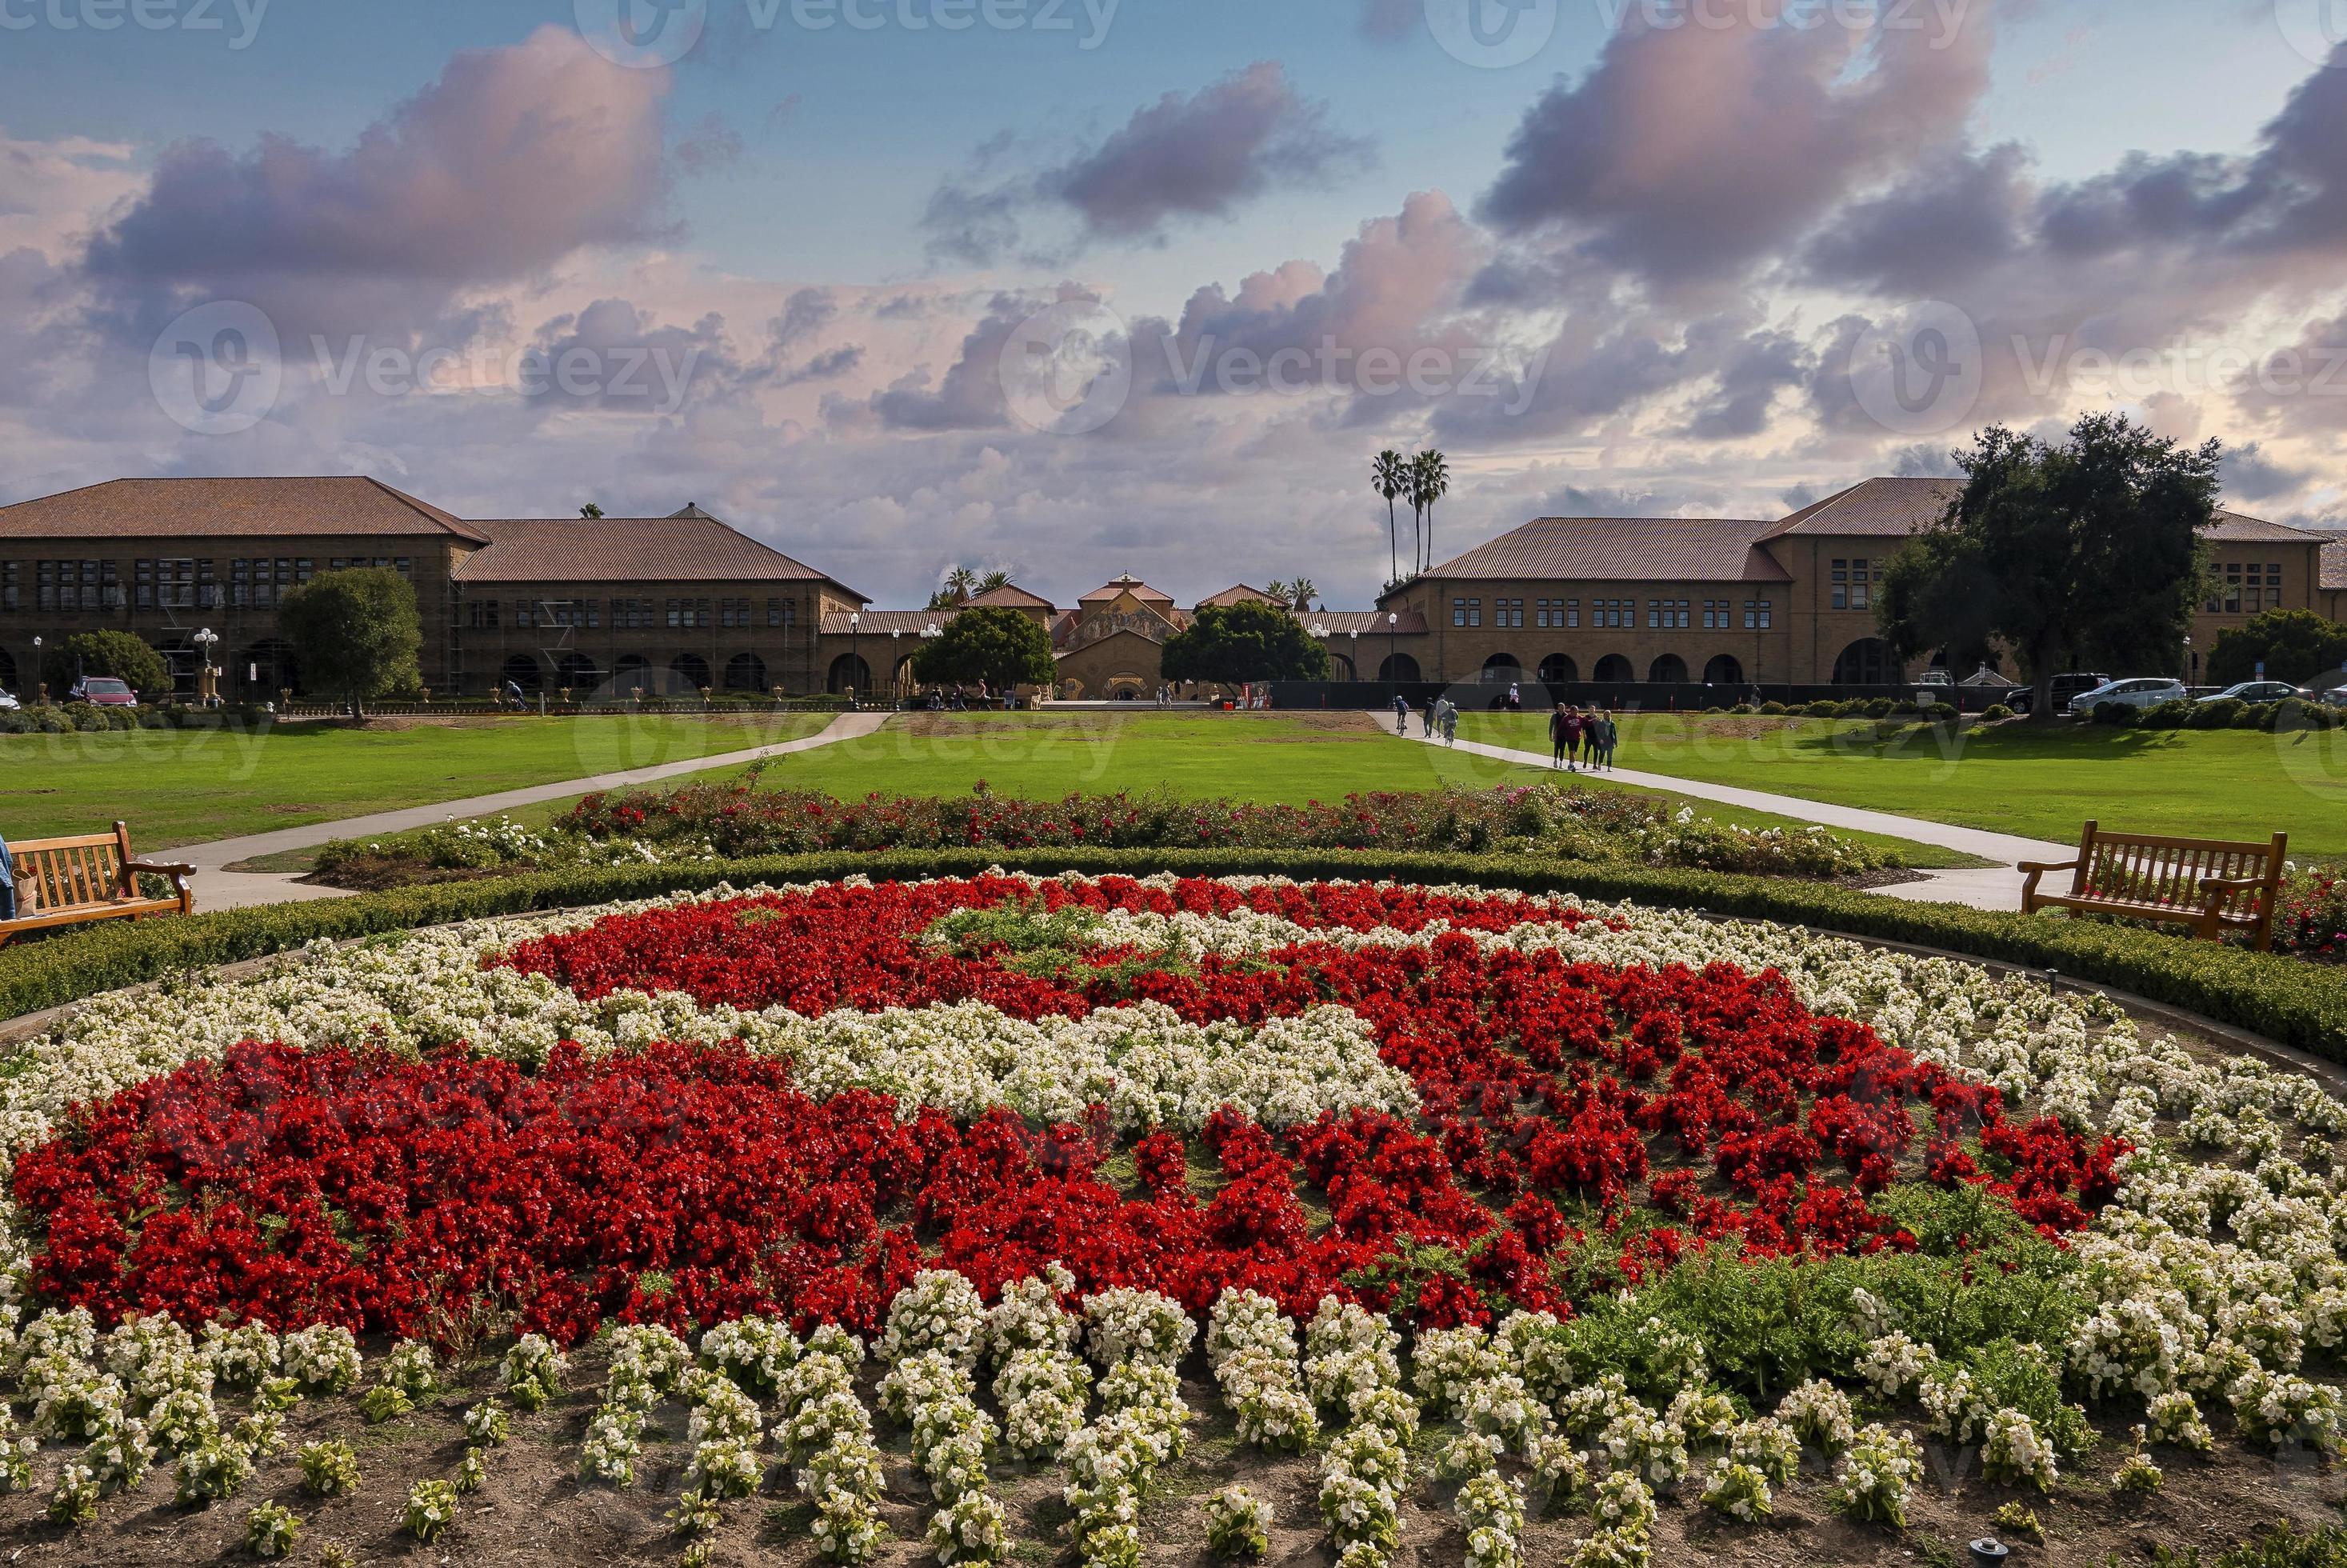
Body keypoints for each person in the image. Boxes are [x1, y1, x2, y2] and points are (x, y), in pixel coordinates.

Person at [1547, 703, 1570, 770]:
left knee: (1562, 749)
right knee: (1556, 748)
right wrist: (1550, 735)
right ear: (1558, 708)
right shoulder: (1554, 716)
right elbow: (1551, 726)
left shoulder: (1566, 716)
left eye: (1563, 707)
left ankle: (1561, 762)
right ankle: (1555, 760)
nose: (1562, 708)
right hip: (1556, 735)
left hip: (1564, 735)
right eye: (1560, 707)